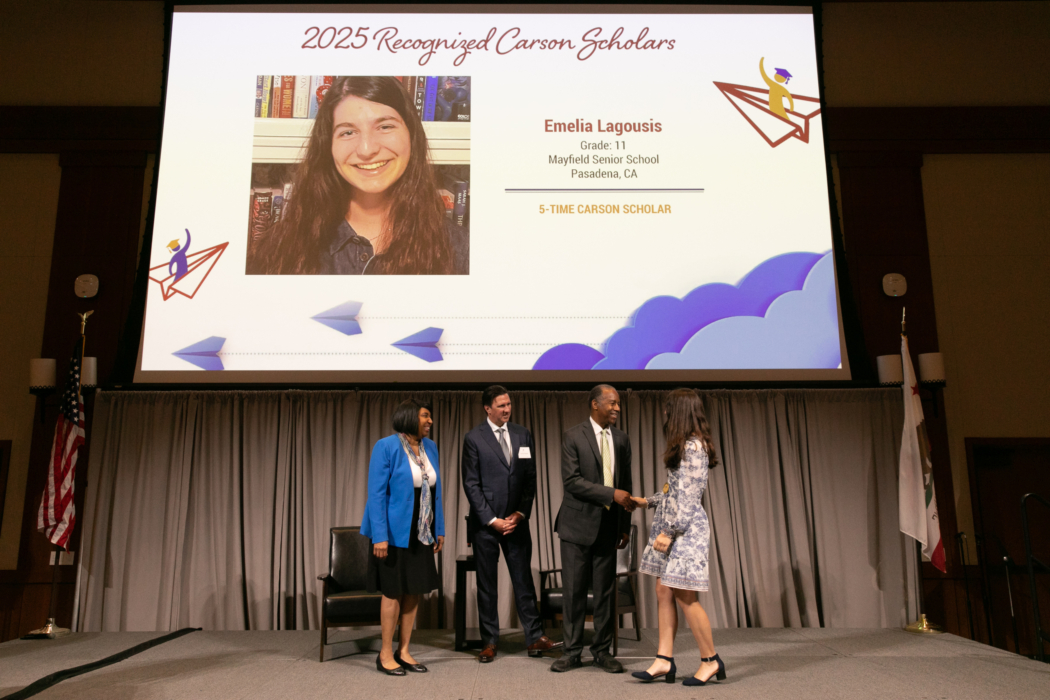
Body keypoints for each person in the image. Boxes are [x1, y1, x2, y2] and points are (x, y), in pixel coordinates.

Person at [248, 75, 468, 275]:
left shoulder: (462, 251)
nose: (366, 149)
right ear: (328, 145)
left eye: (385, 127)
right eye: (348, 132)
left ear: (412, 135)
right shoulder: (278, 249)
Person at [629, 388, 726, 687]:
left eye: (668, 408)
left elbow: (689, 498)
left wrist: (668, 533)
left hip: (685, 530)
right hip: (674, 525)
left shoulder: (694, 448)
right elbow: (674, 492)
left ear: (679, 411)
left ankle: (710, 660)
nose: (665, 413)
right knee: (663, 590)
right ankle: (664, 659)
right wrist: (647, 501)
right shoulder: (684, 446)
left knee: (685, 596)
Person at [461, 385, 563, 662]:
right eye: (501, 405)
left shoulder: (522, 434)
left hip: (516, 523)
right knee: (487, 585)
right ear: (488, 409)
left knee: (523, 581)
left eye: (509, 404)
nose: (507, 409)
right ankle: (489, 642)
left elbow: (530, 478)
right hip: (486, 525)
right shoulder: (474, 438)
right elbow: (471, 485)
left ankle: (535, 638)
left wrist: (521, 512)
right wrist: (492, 520)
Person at [551, 384, 636, 673]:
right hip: (576, 527)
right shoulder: (573, 436)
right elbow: (572, 481)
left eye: (618, 403)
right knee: (574, 592)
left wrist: (624, 526)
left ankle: (601, 651)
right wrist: (611, 494)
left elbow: (626, 483)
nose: (617, 408)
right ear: (595, 404)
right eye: (612, 403)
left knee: (604, 594)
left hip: (609, 528)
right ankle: (572, 652)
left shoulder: (622, 439)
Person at [360, 398, 446, 676]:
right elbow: (376, 494)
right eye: (425, 415)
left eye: (430, 416)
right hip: (393, 531)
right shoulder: (385, 446)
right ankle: (385, 653)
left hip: (422, 530)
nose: (430, 421)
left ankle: (404, 650)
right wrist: (380, 536)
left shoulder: (430, 447)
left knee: (414, 590)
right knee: (393, 590)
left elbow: (435, 492)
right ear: (410, 417)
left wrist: (439, 529)